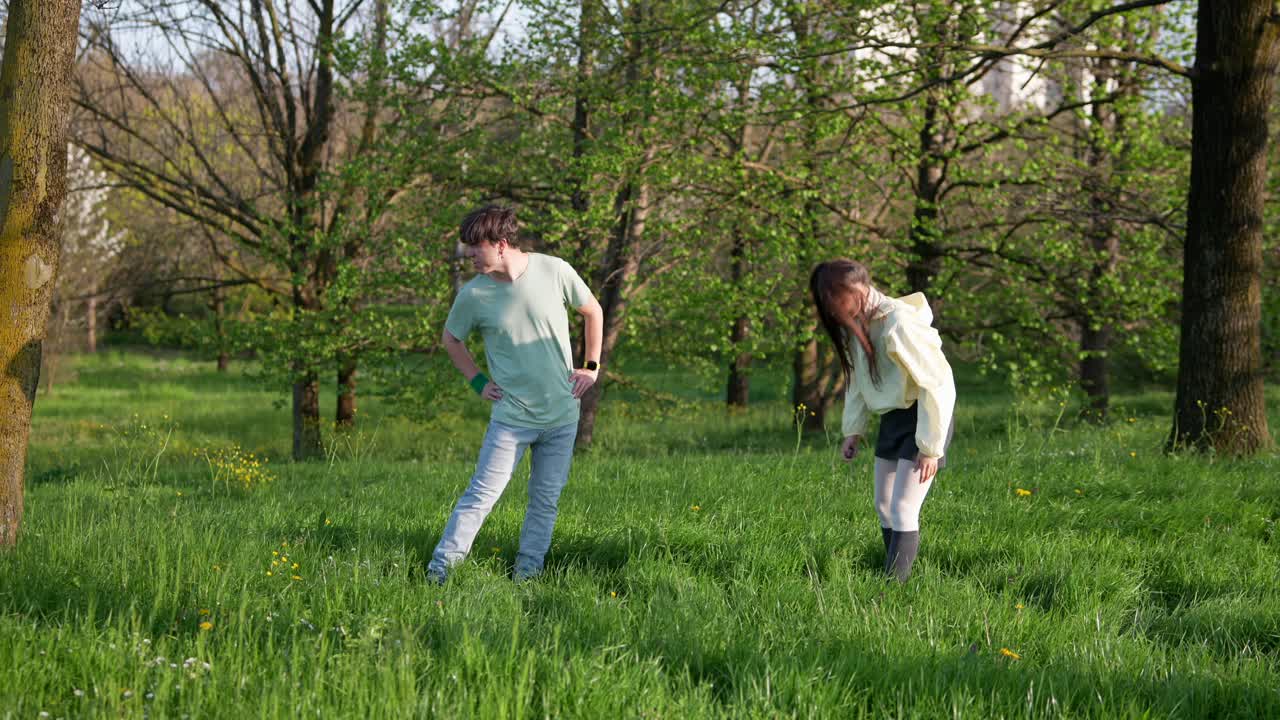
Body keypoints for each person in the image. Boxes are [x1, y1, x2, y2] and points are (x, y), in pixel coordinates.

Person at [428, 204, 603, 583]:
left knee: (545, 502)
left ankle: (528, 576)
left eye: (476, 247)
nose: (470, 255)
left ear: (502, 244)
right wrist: (477, 381)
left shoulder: (554, 270)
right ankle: (440, 572)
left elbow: (592, 310)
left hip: (561, 417)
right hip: (511, 419)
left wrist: (591, 367)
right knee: (481, 497)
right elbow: (451, 339)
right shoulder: (474, 295)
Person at [809, 259, 955, 583]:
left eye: (834, 299)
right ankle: (892, 574)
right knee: (883, 504)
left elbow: (938, 384)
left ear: (857, 290)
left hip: (925, 416)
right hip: (893, 418)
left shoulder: (899, 323)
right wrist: (854, 430)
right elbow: (858, 380)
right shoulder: (860, 326)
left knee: (903, 507)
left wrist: (930, 446)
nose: (832, 310)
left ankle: (893, 592)